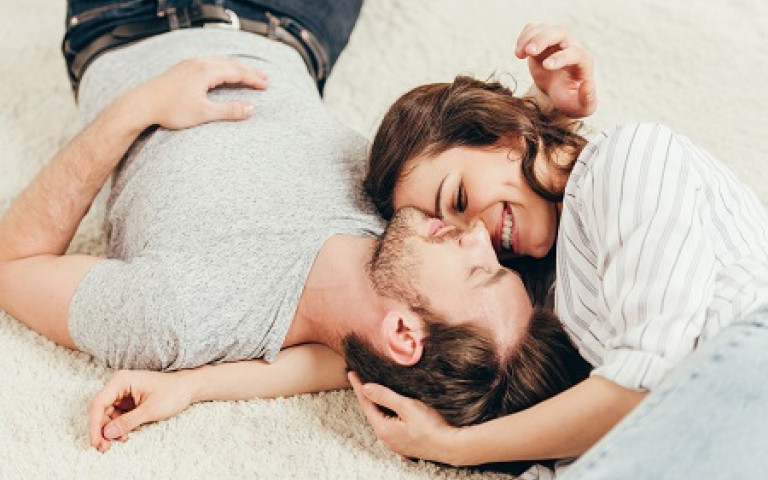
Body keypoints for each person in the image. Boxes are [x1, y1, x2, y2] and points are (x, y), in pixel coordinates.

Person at [0, 4, 592, 454]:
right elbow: (350, 361)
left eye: (479, 271)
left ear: (405, 335)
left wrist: (138, 108)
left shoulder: (176, 316)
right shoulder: (404, 218)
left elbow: (14, 264)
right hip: (298, 24)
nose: (477, 238)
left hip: (130, 20)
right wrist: (550, 114)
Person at [349, 23, 768, 479]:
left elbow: (644, 381)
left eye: (460, 200)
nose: (476, 237)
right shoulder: (546, 290)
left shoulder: (630, 156)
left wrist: (453, 446)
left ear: (501, 133)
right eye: (447, 232)